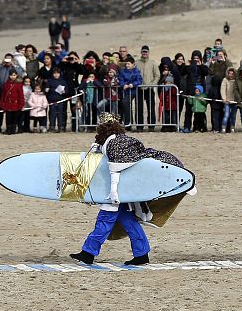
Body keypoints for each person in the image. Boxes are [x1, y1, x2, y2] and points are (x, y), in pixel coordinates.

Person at [69, 113, 193, 266]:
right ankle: (141, 254)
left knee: (104, 220)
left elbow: (115, 169)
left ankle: (88, 253)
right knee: (128, 221)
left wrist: (114, 192)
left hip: (119, 189)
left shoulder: (114, 144)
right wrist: (99, 149)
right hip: (128, 188)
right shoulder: (120, 140)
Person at [0, 69, 25, 135]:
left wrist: (21, 105)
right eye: (11, 75)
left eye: (14, 75)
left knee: (15, 118)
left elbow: (21, 96)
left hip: (15, 104)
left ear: (16, 75)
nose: (12, 76)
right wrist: (2, 104)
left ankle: (13, 129)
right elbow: (3, 95)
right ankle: (8, 129)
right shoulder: (5, 84)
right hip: (8, 104)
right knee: (8, 118)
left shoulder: (19, 85)